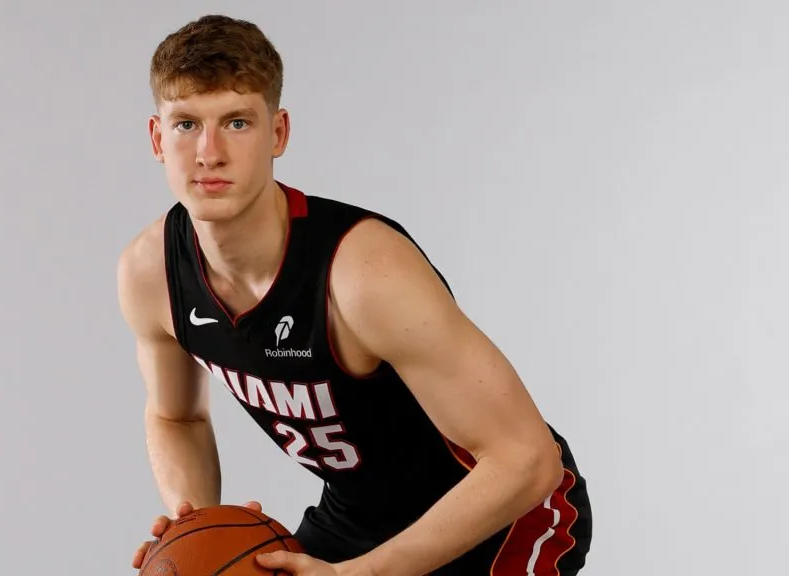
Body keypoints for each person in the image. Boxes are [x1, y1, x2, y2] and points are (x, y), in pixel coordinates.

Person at [118, 14, 593, 576]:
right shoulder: (152, 273)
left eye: (238, 122)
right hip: (357, 515)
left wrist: (360, 574)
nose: (210, 152)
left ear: (279, 133)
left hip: (507, 513)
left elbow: (526, 461)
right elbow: (178, 419)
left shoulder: (362, 273)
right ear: (156, 137)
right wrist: (195, 528)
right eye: (187, 125)